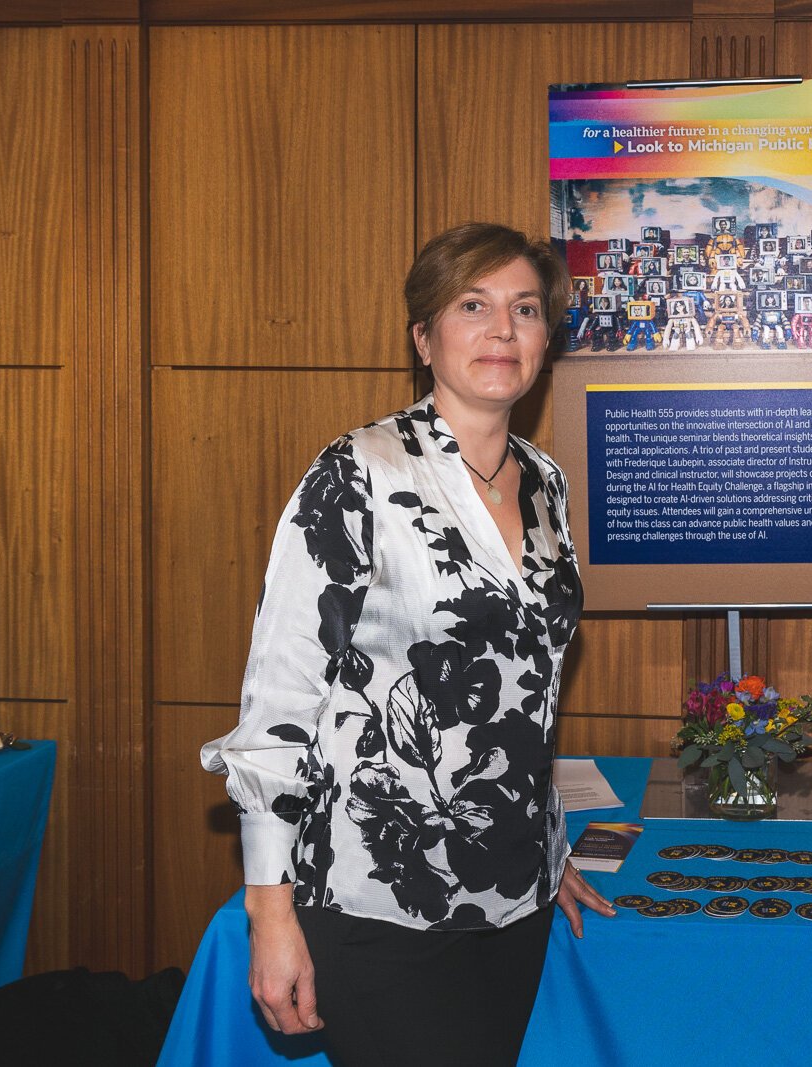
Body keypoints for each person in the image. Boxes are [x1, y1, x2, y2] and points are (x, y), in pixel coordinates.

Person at [201, 222, 614, 1064]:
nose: (503, 329)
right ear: (425, 337)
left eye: (525, 309)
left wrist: (546, 843)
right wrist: (271, 911)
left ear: (545, 339)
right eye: (474, 305)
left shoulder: (547, 484)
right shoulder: (359, 473)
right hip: (381, 897)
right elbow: (280, 701)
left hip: (514, 899)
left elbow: (528, 693)